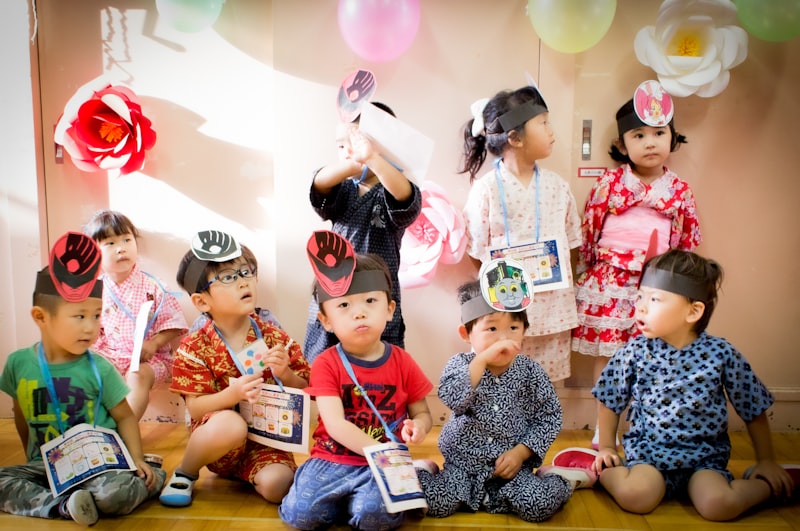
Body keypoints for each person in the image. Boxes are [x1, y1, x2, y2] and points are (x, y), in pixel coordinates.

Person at [556, 250, 798, 520]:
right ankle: (598, 471)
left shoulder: (720, 354)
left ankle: (772, 485)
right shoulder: (634, 351)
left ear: (693, 311)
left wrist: (766, 460)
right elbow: (609, 398)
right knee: (636, 497)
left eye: (655, 299)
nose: (641, 307)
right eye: (640, 297)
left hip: (704, 459)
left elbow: (753, 405)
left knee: (719, 505)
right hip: (649, 456)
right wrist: (608, 448)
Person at [0, 232, 165, 526]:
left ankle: (149, 475)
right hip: (49, 466)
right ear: (41, 317)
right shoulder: (18, 364)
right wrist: (32, 461)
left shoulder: (99, 367)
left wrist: (136, 457)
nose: (91, 327)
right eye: (79, 317)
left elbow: (125, 417)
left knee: (112, 495)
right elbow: (21, 415)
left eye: (97, 315)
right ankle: (64, 506)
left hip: (98, 465)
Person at [571, 81, 702, 449]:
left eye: (659, 133)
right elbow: (591, 229)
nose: (649, 142)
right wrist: (591, 272)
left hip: (658, 283)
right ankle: (603, 428)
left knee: (653, 356)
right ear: (621, 144)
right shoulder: (610, 183)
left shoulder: (679, 190)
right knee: (610, 356)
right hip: (611, 281)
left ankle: (647, 425)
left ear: (672, 138)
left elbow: (686, 240)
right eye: (638, 135)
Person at [280, 231, 433, 531]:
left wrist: (419, 429)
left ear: (390, 310)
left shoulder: (402, 360)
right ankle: (346, 501)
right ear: (326, 321)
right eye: (344, 306)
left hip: (383, 464)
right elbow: (335, 424)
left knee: (373, 518)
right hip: (331, 459)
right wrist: (379, 450)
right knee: (301, 515)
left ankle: (376, 493)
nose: (359, 312)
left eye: (370, 301)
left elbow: (423, 412)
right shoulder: (326, 363)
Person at [417, 272, 594, 523]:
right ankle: (426, 472)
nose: (503, 337)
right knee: (434, 502)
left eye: (513, 327)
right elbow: (453, 399)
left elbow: (549, 417)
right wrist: (480, 361)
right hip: (463, 467)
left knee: (538, 505)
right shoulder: (460, 365)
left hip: (511, 468)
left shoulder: (531, 372)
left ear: (524, 332)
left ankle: (561, 478)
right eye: (491, 328)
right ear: (466, 334)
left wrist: (521, 453)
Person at [159, 230, 310, 507]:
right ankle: (185, 472)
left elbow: (305, 388)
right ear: (202, 301)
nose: (244, 281)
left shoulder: (275, 337)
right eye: (229, 277)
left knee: (279, 487)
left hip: (265, 442)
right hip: (218, 440)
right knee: (231, 424)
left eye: (247, 271)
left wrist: (285, 374)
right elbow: (195, 408)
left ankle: (251, 473)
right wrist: (234, 394)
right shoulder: (194, 346)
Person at [461, 85, 581, 382]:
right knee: (504, 378)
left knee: (546, 383)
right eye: (543, 123)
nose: (551, 131)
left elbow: (573, 242)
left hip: (553, 304)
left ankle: (544, 429)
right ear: (514, 138)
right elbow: (476, 249)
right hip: (506, 305)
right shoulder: (486, 189)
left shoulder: (558, 186)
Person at [303, 99, 422, 364]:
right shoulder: (342, 188)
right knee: (324, 357)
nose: (348, 151)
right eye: (341, 145)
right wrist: (356, 161)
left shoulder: (394, 188)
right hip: (335, 287)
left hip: (375, 291)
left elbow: (405, 198)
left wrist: (374, 159)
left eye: (356, 143)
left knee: (382, 359)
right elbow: (319, 182)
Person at [83, 210, 188, 420]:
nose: (121, 248)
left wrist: (154, 344)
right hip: (110, 354)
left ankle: (125, 430)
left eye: (126, 239)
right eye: (110, 244)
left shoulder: (154, 286)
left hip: (150, 358)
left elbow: (174, 322)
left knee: (137, 376)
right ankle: (93, 429)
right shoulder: (95, 290)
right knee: (86, 373)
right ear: (94, 253)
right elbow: (93, 329)